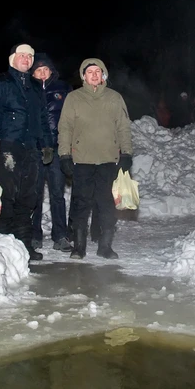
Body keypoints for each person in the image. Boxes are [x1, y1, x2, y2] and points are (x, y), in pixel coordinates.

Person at [0, 43, 52, 261]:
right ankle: (5, 244)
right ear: (13, 59)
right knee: (8, 195)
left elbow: (42, 120)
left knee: (28, 197)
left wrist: (47, 145)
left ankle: (23, 245)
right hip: (8, 145)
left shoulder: (36, 88)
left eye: (30, 57)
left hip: (30, 147)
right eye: (22, 56)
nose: (27, 60)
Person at [58, 58, 132, 259]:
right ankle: (79, 246)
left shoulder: (114, 98)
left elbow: (123, 127)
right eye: (89, 71)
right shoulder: (74, 98)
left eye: (97, 71)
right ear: (83, 75)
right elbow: (65, 128)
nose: (94, 75)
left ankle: (105, 246)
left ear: (103, 75)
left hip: (109, 160)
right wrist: (64, 154)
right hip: (82, 161)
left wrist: (126, 153)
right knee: (81, 204)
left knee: (107, 204)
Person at [30, 53, 72, 252]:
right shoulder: (27, 88)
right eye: (38, 69)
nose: (42, 73)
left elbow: (72, 118)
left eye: (45, 69)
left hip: (56, 148)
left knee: (57, 193)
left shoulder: (63, 88)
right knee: (35, 193)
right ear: (33, 72)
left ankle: (60, 236)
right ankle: (34, 235)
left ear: (51, 70)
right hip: (36, 148)